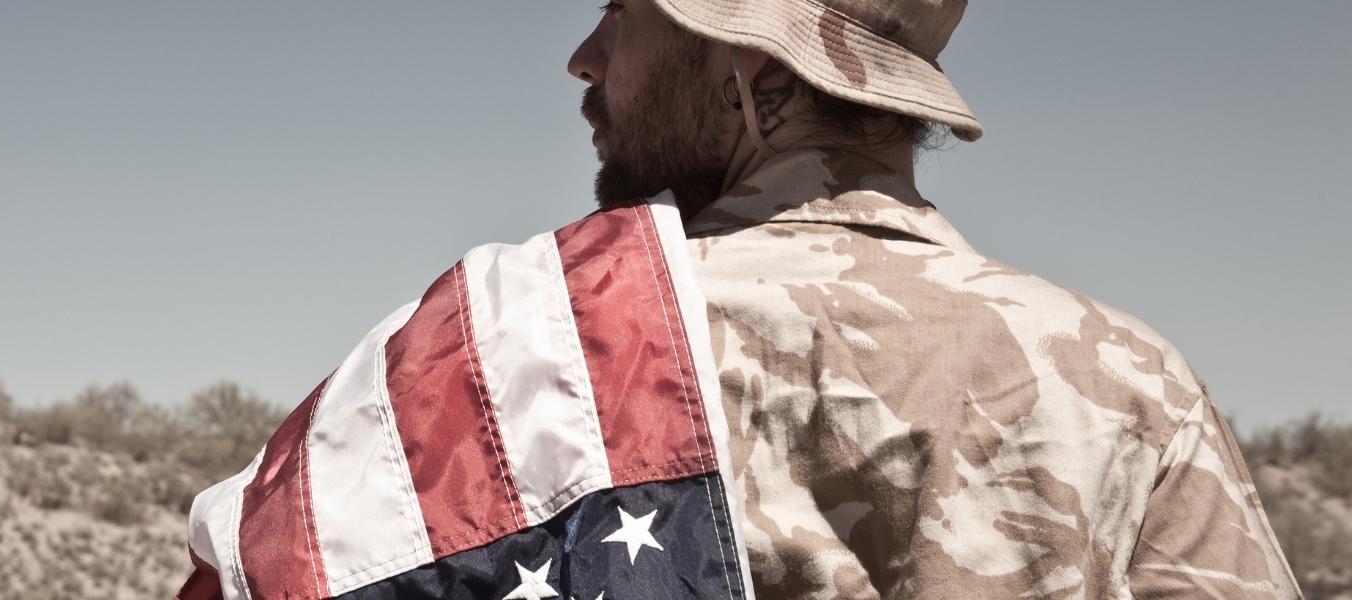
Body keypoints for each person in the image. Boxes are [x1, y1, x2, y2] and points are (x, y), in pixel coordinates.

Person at [177, 1, 1300, 598]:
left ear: (755, 83)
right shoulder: (1128, 381)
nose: (582, 58)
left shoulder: (529, 353)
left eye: (623, 12)